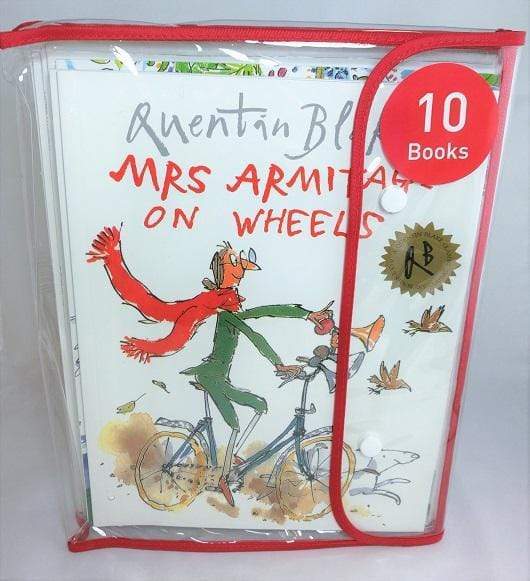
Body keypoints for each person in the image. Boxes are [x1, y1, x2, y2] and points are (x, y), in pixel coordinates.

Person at [87, 228, 332, 505]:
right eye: (233, 261)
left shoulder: (228, 305)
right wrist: (279, 363)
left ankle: (229, 462)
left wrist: (306, 314)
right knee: (246, 416)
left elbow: (265, 312)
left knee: (256, 408)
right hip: (212, 376)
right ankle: (224, 476)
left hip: (214, 375)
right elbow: (253, 333)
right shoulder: (223, 308)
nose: (240, 264)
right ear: (224, 270)